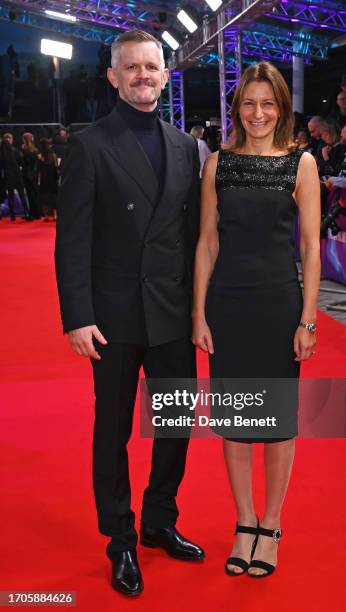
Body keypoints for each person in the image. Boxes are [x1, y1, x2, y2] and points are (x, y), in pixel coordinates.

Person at [55, 29, 203, 598]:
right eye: (132, 68)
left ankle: (159, 520)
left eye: (152, 67)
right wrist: (77, 315)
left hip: (169, 312)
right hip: (113, 318)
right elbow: (73, 239)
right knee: (112, 430)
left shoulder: (186, 145)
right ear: (113, 77)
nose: (144, 76)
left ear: (166, 75)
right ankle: (119, 538)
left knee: (174, 424)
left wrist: (200, 309)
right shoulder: (91, 145)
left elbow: (191, 236)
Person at [193, 61, 320, 578]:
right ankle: (243, 521)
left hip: (277, 306)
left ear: (282, 108)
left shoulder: (301, 165)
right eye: (249, 102)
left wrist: (308, 320)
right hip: (227, 305)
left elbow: (312, 248)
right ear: (237, 108)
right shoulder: (217, 164)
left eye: (268, 103)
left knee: (276, 423)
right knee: (236, 423)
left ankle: (271, 524)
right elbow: (207, 241)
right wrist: (198, 312)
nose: (258, 113)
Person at [0, 132, 31, 221]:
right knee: (20, 194)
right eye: (8, 139)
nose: (10, 140)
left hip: (8, 175)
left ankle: (13, 215)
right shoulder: (16, 150)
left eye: (10, 138)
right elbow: (21, 163)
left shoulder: (2, 153)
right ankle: (26, 212)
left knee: (11, 195)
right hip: (17, 175)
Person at [20, 132, 41, 219]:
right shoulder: (36, 150)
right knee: (35, 193)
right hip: (34, 174)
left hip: (27, 174)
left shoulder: (24, 150)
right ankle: (36, 213)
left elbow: (22, 162)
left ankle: (33, 213)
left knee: (30, 194)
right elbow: (39, 161)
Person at [38, 138, 59, 221]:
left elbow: (38, 169)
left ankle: (46, 216)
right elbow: (56, 168)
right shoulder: (53, 155)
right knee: (54, 197)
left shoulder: (40, 156)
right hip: (53, 179)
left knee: (45, 198)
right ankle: (55, 215)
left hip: (44, 180)